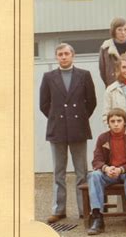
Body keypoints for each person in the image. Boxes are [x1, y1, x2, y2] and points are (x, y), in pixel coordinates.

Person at [39, 43, 97, 224]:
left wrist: (78, 118)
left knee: (81, 172)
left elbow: (91, 102)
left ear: (73, 55)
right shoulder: (48, 77)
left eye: (66, 53)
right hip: (57, 129)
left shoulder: (84, 75)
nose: (63, 57)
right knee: (59, 172)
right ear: (56, 57)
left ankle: (83, 209)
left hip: (78, 128)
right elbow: (44, 104)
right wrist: (58, 118)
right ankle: (59, 210)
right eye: (60, 54)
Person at [87, 108, 126, 236]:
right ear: (108, 123)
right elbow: (96, 160)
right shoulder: (103, 138)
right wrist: (106, 168)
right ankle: (97, 217)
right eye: (112, 121)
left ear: (125, 122)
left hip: (125, 172)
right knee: (94, 175)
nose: (116, 124)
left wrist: (121, 169)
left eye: (119, 121)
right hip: (109, 173)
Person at [99, 17, 126, 87]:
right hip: (113, 86)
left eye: (125, 29)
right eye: (119, 30)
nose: (123, 32)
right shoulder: (105, 48)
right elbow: (102, 71)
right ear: (114, 31)